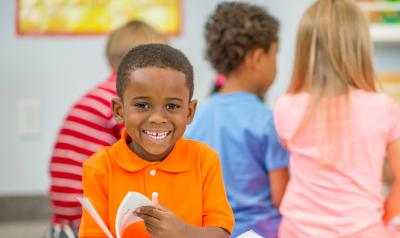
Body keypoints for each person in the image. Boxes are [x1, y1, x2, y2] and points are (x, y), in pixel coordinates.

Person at [78, 44, 234, 237]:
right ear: (119, 111)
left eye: (171, 105)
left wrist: (182, 232)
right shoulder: (100, 168)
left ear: (189, 112)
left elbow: (221, 232)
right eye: (142, 105)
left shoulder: (204, 160)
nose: (157, 118)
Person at [273, 0, 400, 237]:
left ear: (305, 49)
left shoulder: (286, 107)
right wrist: (379, 219)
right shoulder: (384, 107)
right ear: (361, 47)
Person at [48, 20, 167, 237]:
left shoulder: (101, 93)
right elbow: (152, 149)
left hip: (63, 219)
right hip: (86, 218)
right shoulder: (122, 99)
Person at [185, 2, 289, 237]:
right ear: (257, 58)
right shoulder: (268, 121)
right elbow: (281, 197)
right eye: (275, 55)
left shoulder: (196, 119)